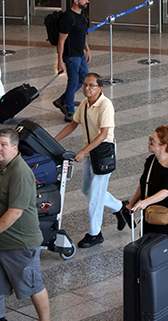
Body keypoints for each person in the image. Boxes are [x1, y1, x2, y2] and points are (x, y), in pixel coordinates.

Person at [0, 130, 50, 321]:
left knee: (33, 286)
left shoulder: (20, 172)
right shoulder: (2, 165)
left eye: (3, 144)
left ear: (15, 147)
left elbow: (15, 212)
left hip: (19, 244)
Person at [52, 73, 127, 248]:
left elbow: (103, 134)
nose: (87, 88)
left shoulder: (105, 105)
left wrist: (83, 151)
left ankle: (95, 234)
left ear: (100, 88)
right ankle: (119, 208)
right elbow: (73, 124)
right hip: (89, 152)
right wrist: (54, 141)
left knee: (95, 195)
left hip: (102, 153)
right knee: (87, 190)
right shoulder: (85, 104)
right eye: (85, 85)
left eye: (91, 85)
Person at [124, 124, 168, 290]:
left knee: (165, 249)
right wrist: (132, 204)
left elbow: (167, 192)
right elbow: (143, 186)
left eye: (152, 141)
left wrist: (145, 202)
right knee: (150, 248)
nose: (149, 143)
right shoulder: (150, 161)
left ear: (163, 145)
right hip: (150, 214)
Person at [52, 0, 91, 123]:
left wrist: (88, 50)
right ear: (76, 1)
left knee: (83, 79)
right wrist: (60, 61)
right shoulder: (68, 18)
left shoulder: (82, 16)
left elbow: (82, 35)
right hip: (71, 56)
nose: (87, 1)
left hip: (80, 54)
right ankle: (69, 111)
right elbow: (61, 41)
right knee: (73, 81)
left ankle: (62, 100)